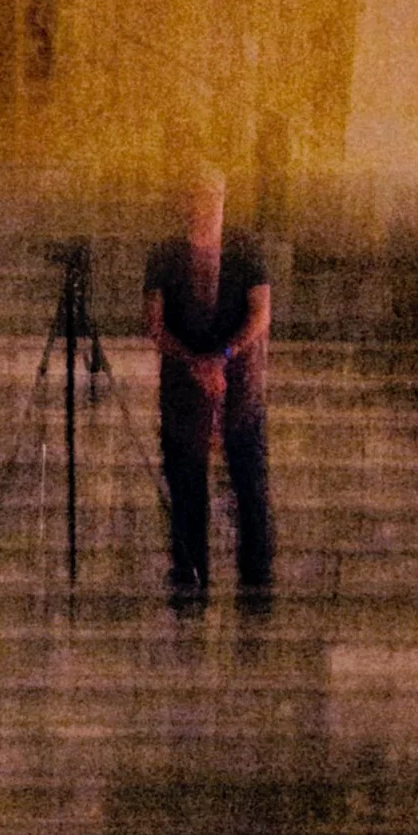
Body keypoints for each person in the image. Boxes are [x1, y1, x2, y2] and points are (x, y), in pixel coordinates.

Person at [143, 167, 273, 603]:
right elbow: (155, 324)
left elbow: (260, 314)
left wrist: (223, 358)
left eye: (216, 192)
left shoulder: (245, 248)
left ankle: (256, 580)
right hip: (184, 385)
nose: (209, 202)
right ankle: (189, 572)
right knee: (185, 483)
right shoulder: (165, 253)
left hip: (240, 385)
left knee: (249, 483)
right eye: (200, 193)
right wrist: (194, 363)